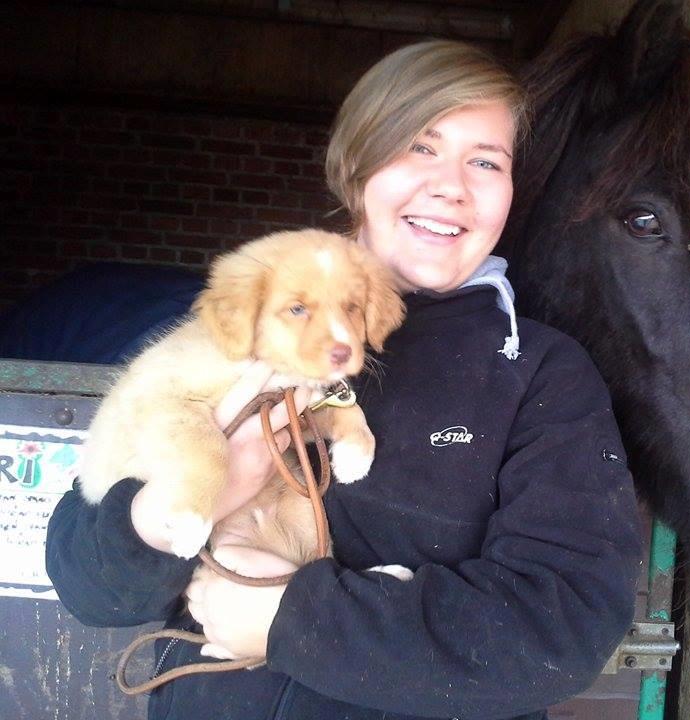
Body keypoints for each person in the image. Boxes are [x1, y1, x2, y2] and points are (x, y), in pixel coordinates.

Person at [45, 40, 645, 720]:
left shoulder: (541, 373)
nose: (451, 184)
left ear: (511, 192)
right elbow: (86, 585)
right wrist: (177, 504)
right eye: (420, 147)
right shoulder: (246, 320)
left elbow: (561, 628)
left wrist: (290, 621)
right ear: (357, 167)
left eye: (485, 161)